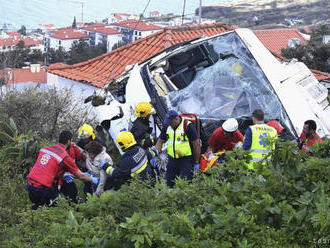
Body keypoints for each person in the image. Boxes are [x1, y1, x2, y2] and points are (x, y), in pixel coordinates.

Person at [26, 131, 99, 210]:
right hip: (43, 189)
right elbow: (79, 175)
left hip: (30, 186)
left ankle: (29, 217)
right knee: (56, 209)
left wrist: (65, 174)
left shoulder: (45, 149)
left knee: (39, 206)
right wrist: (92, 179)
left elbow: (48, 168)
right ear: (68, 141)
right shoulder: (64, 156)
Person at [155, 110, 201, 187]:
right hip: (172, 159)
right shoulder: (167, 126)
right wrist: (156, 153)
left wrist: (196, 162)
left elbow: (196, 144)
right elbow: (160, 140)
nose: (169, 124)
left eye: (171, 122)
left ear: (177, 119)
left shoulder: (187, 126)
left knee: (185, 184)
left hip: (186, 160)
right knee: (169, 183)